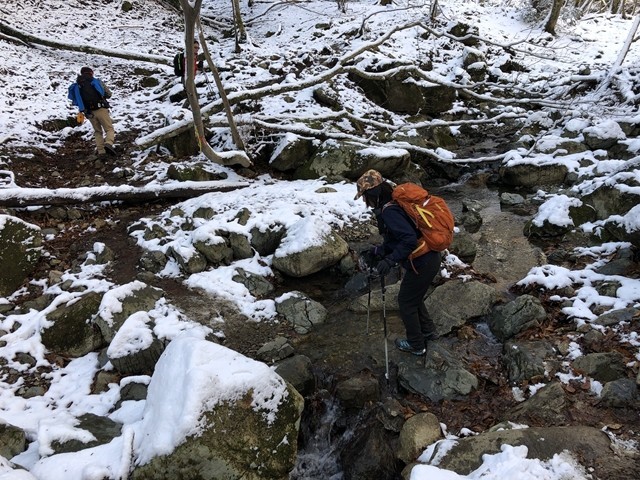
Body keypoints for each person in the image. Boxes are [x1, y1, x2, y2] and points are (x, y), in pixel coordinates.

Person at [355, 169, 442, 356]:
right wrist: (378, 251)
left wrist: (390, 261)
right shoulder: (392, 205)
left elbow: (409, 240)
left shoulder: (390, 211)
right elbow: (397, 239)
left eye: (365, 197)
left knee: (406, 302)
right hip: (428, 258)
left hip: (423, 262)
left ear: (373, 193)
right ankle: (428, 332)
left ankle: (416, 345)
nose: (365, 202)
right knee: (413, 297)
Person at [68, 67, 116, 157]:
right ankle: (108, 143)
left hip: (89, 112)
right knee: (109, 129)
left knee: (98, 131)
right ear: (91, 73)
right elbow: (108, 94)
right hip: (101, 108)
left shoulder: (77, 86)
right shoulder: (96, 81)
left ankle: (101, 151)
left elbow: (75, 99)